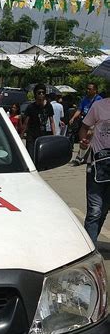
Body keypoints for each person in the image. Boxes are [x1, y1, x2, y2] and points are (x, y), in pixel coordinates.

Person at [78, 97, 110, 245]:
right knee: (95, 211)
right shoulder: (99, 106)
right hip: (97, 166)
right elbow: (84, 127)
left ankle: (90, 242)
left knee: (103, 210)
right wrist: (83, 141)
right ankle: (89, 247)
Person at [69, 83, 102, 165]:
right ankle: (85, 157)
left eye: (90, 89)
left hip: (95, 122)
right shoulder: (84, 99)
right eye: (87, 88)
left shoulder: (99, 99)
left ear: (95, 90)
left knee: (89, 137)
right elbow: (79, 110)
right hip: (85, 122)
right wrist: (73, 118)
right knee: (83, 140)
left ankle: (80, 157)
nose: (88, 90)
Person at [21, 84, 55, 161]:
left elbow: (52, 121)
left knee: (40, 157)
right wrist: (21, 136)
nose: (41, 95)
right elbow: (26, 123)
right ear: (35, 94)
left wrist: (54, 135)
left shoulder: (48, 106)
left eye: (43, 93)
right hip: (31, 136)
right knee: (31, 156)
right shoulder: (31, 107)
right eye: (39, 93)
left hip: (42, 135)